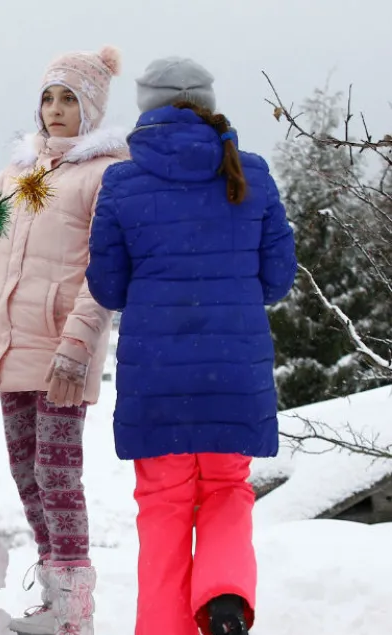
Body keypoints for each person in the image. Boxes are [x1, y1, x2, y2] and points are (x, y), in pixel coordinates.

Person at [85, 57, 297, 635]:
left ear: (147, 106)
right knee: (228, 488)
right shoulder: (250, 172)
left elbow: (107, 286)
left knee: (163, 507)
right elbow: (278, 279)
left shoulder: (122, 182)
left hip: (157, 378)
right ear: (207, 103)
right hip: (235, 373)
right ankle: (225, 596)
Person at [0, 46, 127, 635]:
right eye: (48, 98)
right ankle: (53, 595)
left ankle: (74, 610)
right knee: (26, 474)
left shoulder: (103, 175)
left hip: (62, 349)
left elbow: (103, 270)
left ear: (92, 109)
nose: (55, 109)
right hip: (13, 346)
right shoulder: (24, 173)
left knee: (58, 475)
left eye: (69, 99)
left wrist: (77, 346)